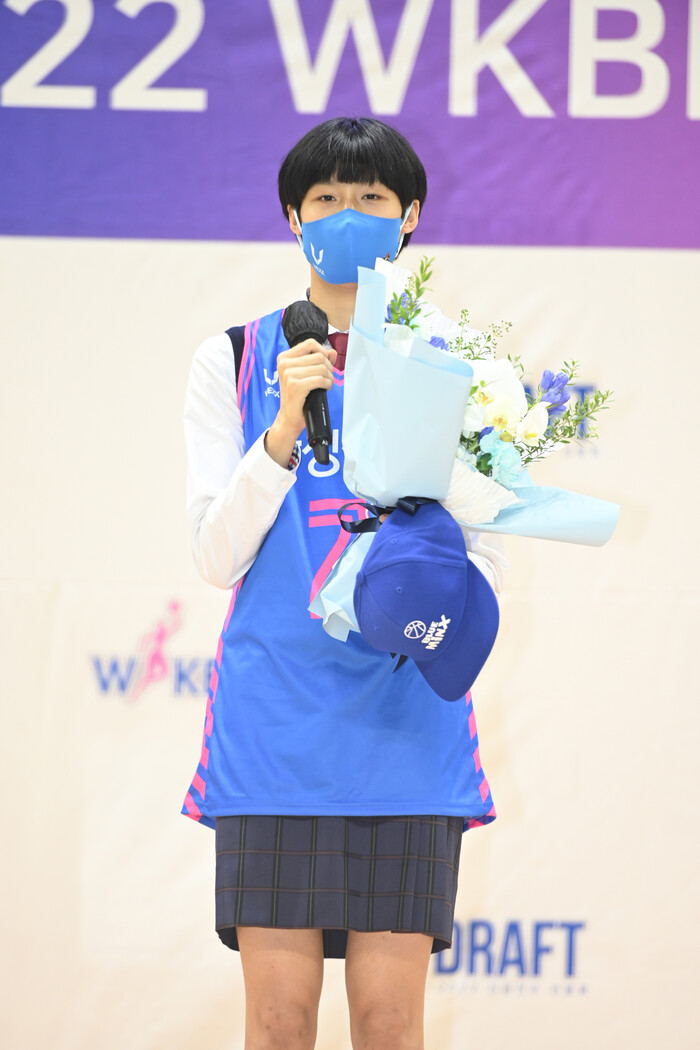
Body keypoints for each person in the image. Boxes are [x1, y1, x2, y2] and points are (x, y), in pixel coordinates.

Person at [182, 117, 506, 1050]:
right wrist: (283, 429)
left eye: (371, 197)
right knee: (279, 1023)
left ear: (411, 216)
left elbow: (482, 551)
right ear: (294, 217)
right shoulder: (234, 358)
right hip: (277, 723)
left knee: (389, 1024)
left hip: (404, 719)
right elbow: (214, 556)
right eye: (326, 197)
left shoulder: (453, 364)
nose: (348, 213)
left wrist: (423, 593)